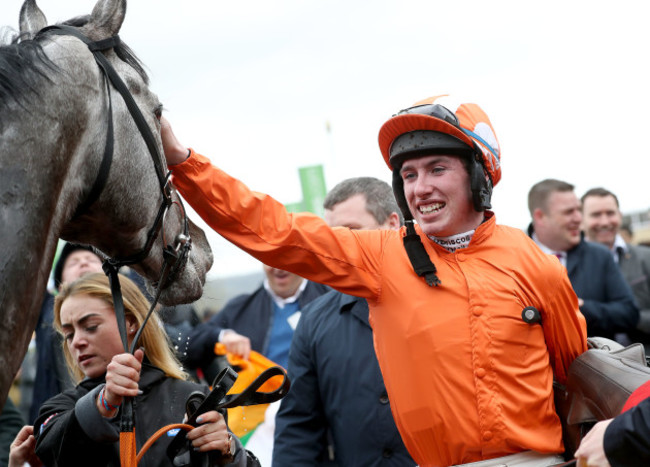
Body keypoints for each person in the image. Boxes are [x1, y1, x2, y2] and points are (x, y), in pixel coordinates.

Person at [160, 95, 588, 466]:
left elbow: (578, 378)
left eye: (437, 169)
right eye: (409, 175)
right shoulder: (382, 255)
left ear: (479, 174)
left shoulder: (538, 266)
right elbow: (274, 230)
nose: (421, 188)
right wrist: (183, 160)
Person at [33, 272, 247, 466]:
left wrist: (229, 452)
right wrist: (105, 402)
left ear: (131, 322)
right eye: (69, 334)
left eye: (90, 326)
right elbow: (50, 451)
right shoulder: (59, 408)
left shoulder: (192, 397)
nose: (77, 342)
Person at [273, 177, 414, 466]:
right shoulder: (314, 322)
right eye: (332, 235)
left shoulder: (442, 300)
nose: (339, 245)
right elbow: (298, 429)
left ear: (392, 224)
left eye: (351, 231)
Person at [527, 179, 638, 340]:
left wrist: (580, 308)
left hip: (592, 362)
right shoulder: (515, 261)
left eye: (579, 210)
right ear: (540, 216)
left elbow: (629, 314)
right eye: (568, 212)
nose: (579, 218)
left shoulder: (599, 256)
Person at [185, 266, 329, 375]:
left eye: (286, 255)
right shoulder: (240, 308)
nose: (278, 267)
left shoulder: (332, 301)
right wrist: (222, 336)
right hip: (258, 408)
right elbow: (187, 347)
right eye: (271, 257)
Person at [29, 242, 104, 424]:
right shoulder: (45, 309)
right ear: (60, 285)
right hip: (54, 419)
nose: (83, 263)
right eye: (74, 263)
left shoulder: (130, 308)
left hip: (107, 416)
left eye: (91, 259)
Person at [581, 187, 650, 353]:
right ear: (581, 219)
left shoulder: (645, 257)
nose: (605, 222)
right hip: (595, 369)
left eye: (610, 213)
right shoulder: (567, 266)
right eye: (596, 215)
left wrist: (624, 316)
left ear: (619, 215)